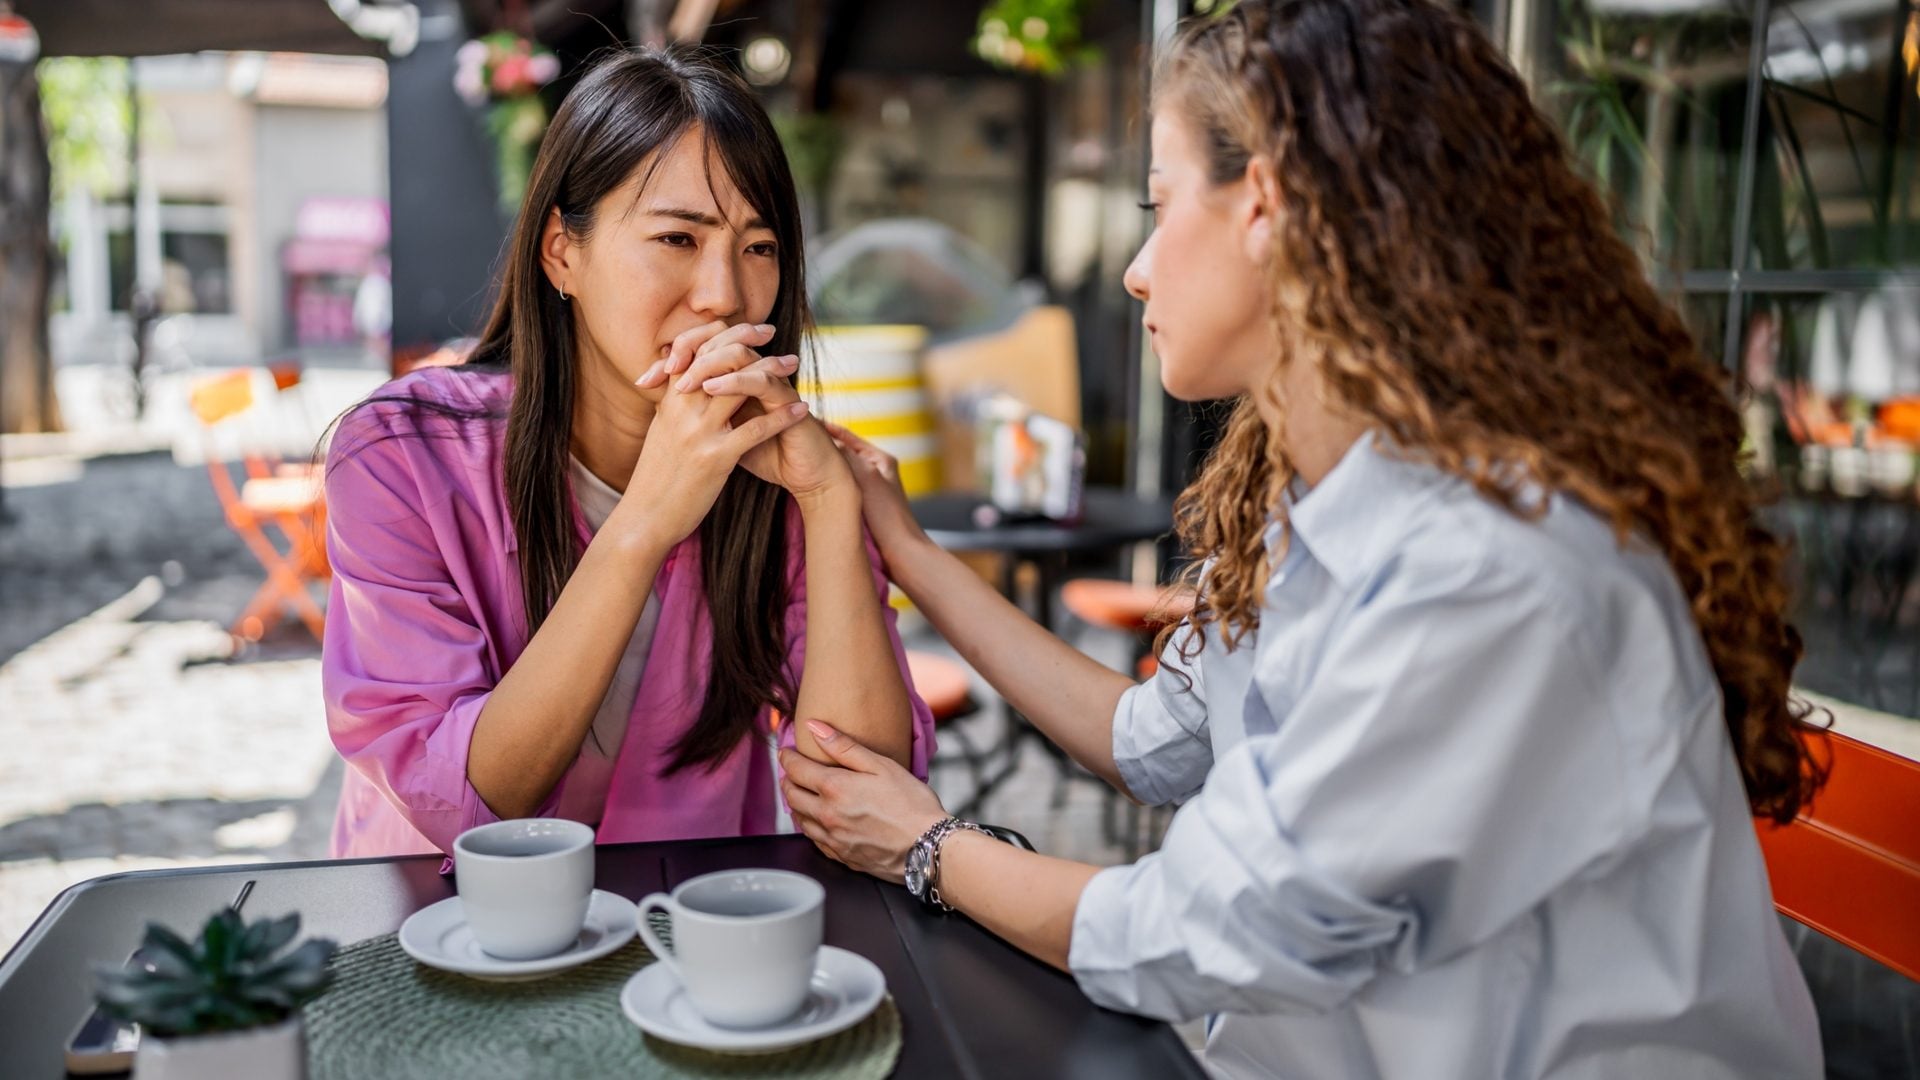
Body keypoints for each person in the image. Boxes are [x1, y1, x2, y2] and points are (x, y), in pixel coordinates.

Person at [782, 2, 1825, 1076]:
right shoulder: (1314, 507)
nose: (1136, 269)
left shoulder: (1497, 568)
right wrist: (911, 551)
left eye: (1162, 202)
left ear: (1266, 206)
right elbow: (1149, 740)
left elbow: (1212, 931)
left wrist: (927, 847)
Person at [319, 48, 934, 859]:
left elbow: (867, 793)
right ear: (561, 253)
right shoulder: (402, 457)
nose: (725, 294)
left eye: (759, 248)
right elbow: (470, 804)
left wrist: (827, 502)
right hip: (442, 939)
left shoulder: (779, 470)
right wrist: (648, 518)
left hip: (681, 943)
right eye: (678, 236)